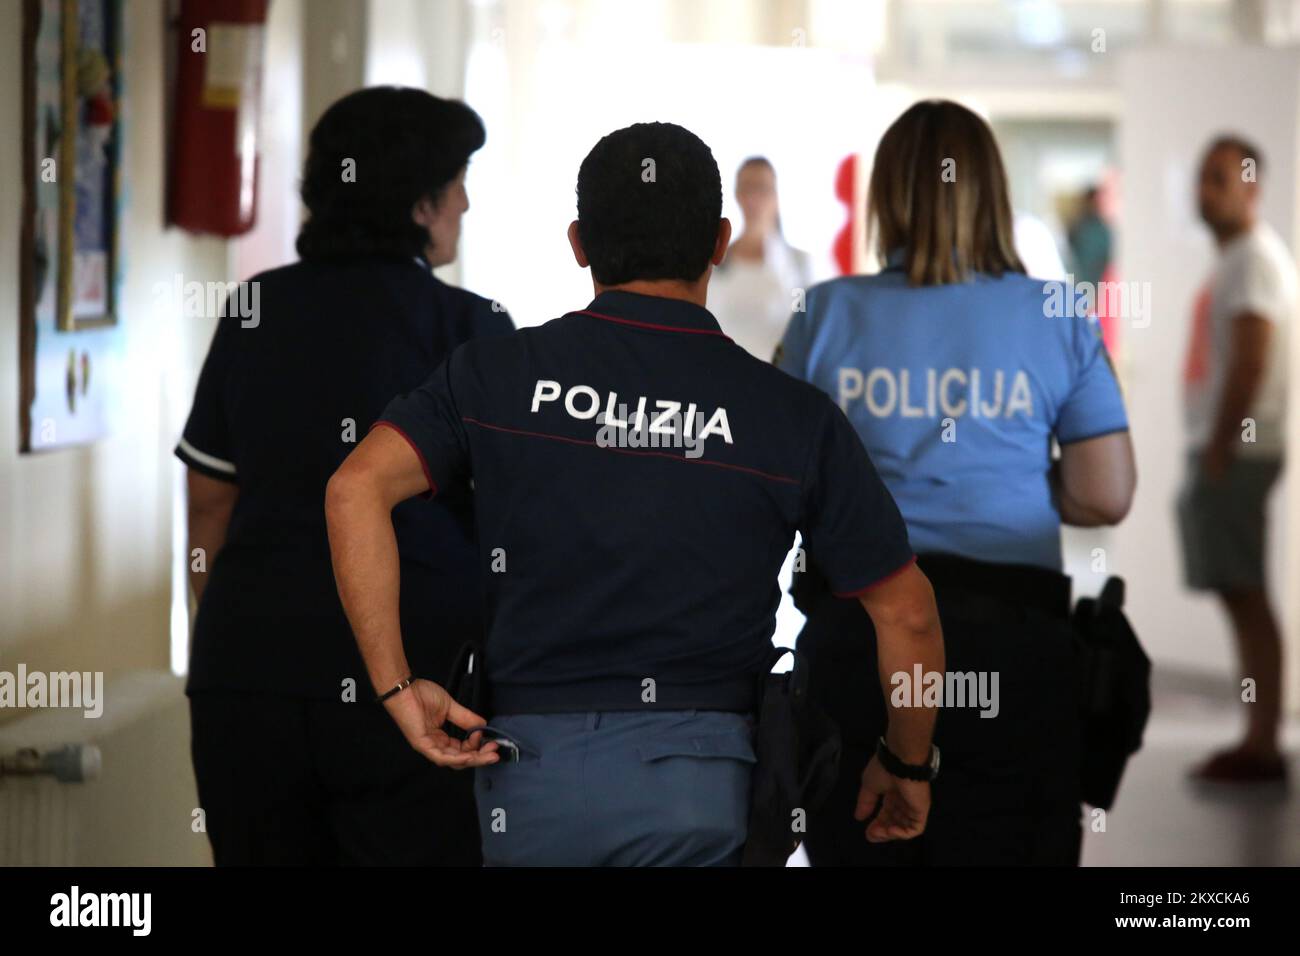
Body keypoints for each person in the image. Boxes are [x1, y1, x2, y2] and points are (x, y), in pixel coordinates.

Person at [325, 121, 946, 867]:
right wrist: (907, 762)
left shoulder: (492, 376)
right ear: (719, 242)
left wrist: (396, 689)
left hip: (529, 786)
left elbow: (353, 489)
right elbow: (907, 615)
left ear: (579, 243)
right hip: (705, 792)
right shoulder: (789, 415)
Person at [777, 99, 1136, 866]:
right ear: (993, 193)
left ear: (888, 196)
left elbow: (778, 485)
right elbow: (1106, 493)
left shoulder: (825, 314)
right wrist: (1020, 478)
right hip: (1018, 643)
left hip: (865, 637)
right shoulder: (1059, 313)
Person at [176, 87, 512, 865]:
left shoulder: (254, 308)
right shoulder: (472, 328)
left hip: (248, 676)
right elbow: (512, 525)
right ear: (422, 203)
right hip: (414, 681)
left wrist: (245, 636)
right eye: (458, 178)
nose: (466, 198)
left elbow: (207, 511)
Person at [1181, 135, 1295, 784]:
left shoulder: (1252, 260)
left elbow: (1251, 357)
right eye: (1202, 176)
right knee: (1241, 592)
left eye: (1219, 178)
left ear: (1250, 187)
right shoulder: (1238, 260)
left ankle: (1261, 742)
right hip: (1232, 449)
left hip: (1240, 451)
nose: (1205, 189)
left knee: (1247, 594)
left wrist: (1223, 445)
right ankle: (1258, 738)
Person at [709, 157, 815, 361]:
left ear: (775, 195)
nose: (753, 198)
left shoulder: (801, 267)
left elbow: (809, 330)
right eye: (746, 187)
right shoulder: (715, 264)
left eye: (762, 188)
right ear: (737, 194)